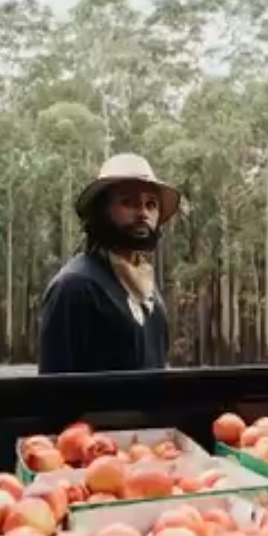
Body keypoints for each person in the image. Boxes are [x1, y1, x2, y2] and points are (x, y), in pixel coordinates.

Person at [38, 153, 180, 374]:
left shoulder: (149, 293)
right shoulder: (75, 287)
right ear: (101, 211)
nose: (143, 213)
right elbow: (54, 391)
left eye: (151, 204)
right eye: (128, 202)